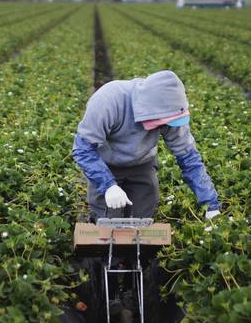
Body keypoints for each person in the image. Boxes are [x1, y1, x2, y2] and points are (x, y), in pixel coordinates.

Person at [72, 69, 220, 221]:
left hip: (142, 163)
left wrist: (211, 204)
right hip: (105, 163)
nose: (169, 125)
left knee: (142, 221)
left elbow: (189, 159)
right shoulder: (108, 101)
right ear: (151, 111)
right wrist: (108, 186)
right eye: (165, 121)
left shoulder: (172, 111)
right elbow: (83, 150)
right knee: (108, 221)